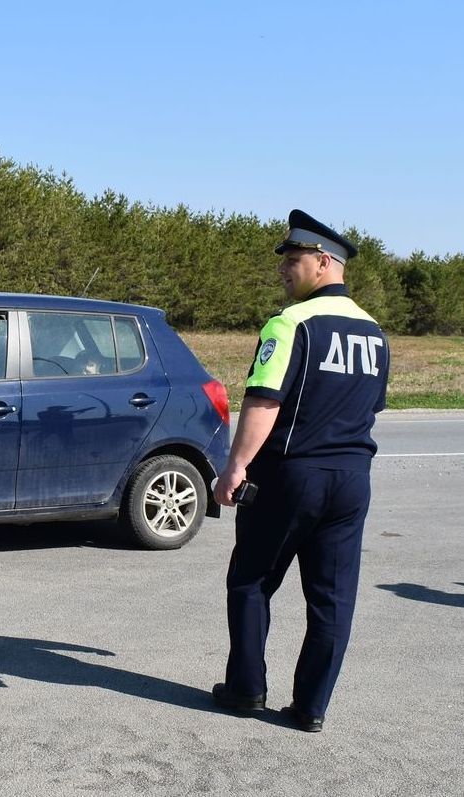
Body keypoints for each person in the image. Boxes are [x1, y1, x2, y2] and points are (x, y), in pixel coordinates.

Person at [211, 209, 390, 733]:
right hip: (352, 479)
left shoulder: (290, 324)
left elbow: (263, 403)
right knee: (332, 599)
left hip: (291, 476)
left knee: (250, 582)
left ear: (324, 261)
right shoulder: (374, 332)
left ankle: (245, 690)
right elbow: (371, 405)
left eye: (293, 261)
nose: (283, 270)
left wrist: (235, 466)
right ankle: (311, 707)